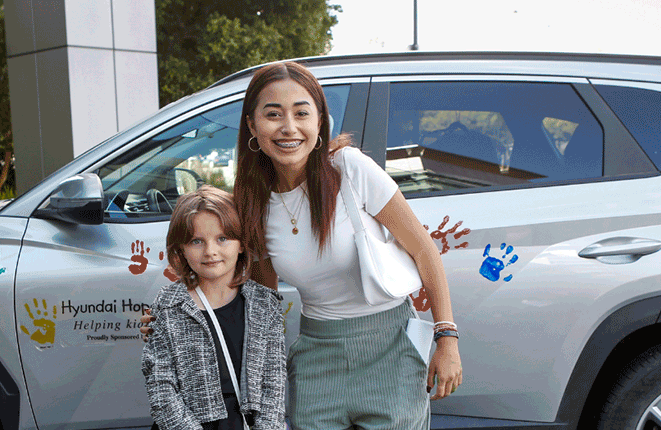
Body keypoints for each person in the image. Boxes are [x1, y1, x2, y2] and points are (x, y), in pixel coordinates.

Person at [145, 61, 462, 429]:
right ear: (252, 125)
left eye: (301, 113)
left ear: (319, 121)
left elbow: (424, 250)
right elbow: (254, 298)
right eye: (273, 114)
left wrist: (447, 338)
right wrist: (174, 317)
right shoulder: (252, 201)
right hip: (316, 358)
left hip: (390, 349)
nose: (289, 128)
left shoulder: (349, 169)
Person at [141, 185, 285, 430]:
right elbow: (161, 390)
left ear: (241, 244)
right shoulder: (168, 305)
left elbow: (273, 386)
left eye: (222, 238)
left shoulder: (264, 305)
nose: (210, 251)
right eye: (197, 241)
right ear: (181, 249)